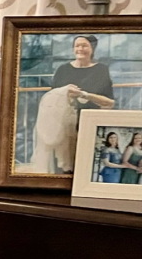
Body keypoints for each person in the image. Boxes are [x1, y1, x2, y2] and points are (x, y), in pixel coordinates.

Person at [33, 34, 116, 174]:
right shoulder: (63, 69)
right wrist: (64, 92)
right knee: (64, 168)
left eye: (84, 45)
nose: (80, 49)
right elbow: (50, 99)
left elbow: (109, 102)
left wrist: (83, 94)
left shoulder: (101, 70)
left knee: (84, 167)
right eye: (77, 46)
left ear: (92, 48)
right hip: (63, 127)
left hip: (88, 124)